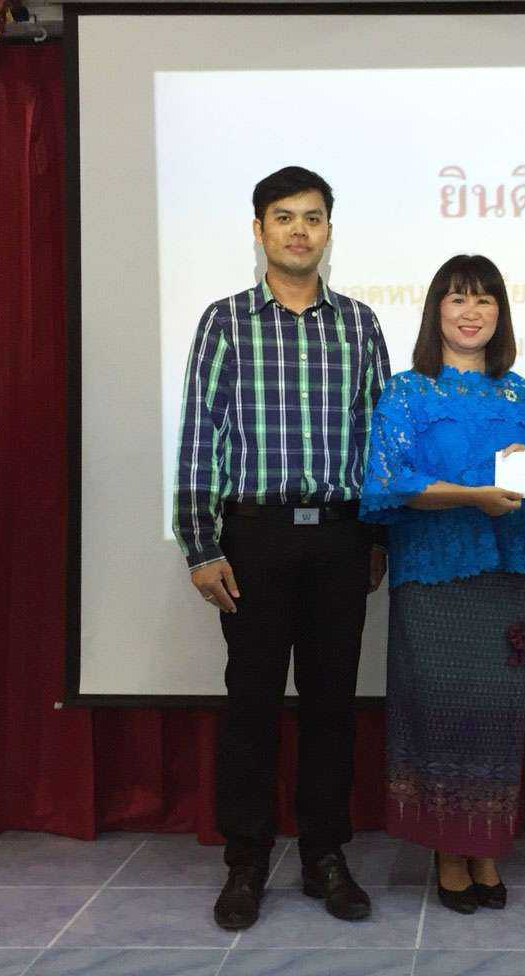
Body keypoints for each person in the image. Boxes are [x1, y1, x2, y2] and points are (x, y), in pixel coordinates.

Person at [173, 166, 390, 931]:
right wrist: (201, 544)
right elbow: (201, 434)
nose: (300, 230)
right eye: (285, 217)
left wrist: (376, 536)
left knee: (332, 704)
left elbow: (378, 439)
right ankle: (246, 859)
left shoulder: (359, 324)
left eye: (313, 217)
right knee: (252, 703)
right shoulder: (225, 322)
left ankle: (325, 854)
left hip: (338, 535)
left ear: (329, 230)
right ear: (259, 229)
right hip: (254, 537)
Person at [360, 254, 525, 914]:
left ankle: (485, 847)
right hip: (432, 578)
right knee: (439, 713)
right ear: (436, 310)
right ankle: (447, 850)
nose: (472, 312)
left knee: (497, 715)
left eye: (485, 300)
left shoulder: (522, 394)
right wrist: (473, 495)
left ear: (501, 313)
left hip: (505, 578)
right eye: (458, 298)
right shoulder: (406, 392)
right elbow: (388, 483)